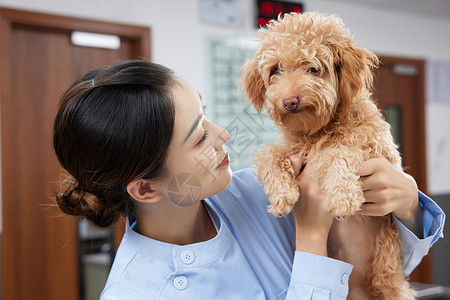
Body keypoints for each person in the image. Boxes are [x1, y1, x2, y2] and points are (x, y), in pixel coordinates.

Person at [53, 60, 445, 300]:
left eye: (206, 114)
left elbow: (378, 269)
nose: (222, 133)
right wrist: (309, 238)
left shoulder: (256, 191)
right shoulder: (135, 293)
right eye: (199, 136)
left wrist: (408, 204)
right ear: (146, 188)